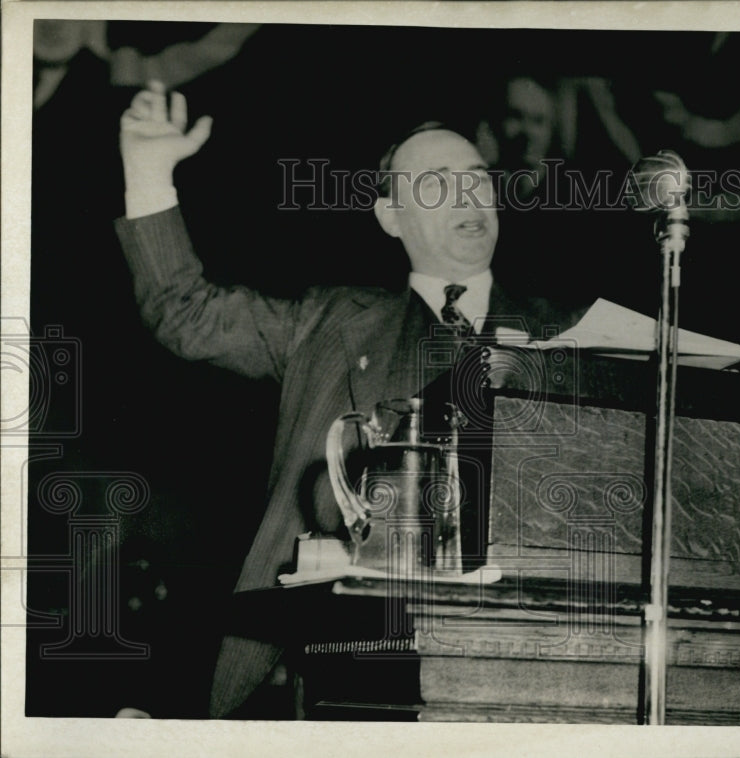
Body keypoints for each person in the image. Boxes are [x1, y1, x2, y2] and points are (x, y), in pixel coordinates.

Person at [115, 81, 578, 718]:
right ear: (391, 215)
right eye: (437, 183)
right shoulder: (327, 323)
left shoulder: (570, 340)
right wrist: (146, 172)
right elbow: (185, 312)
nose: (469, 196)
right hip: (324, 666)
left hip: (518, 670)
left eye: (477, 178)